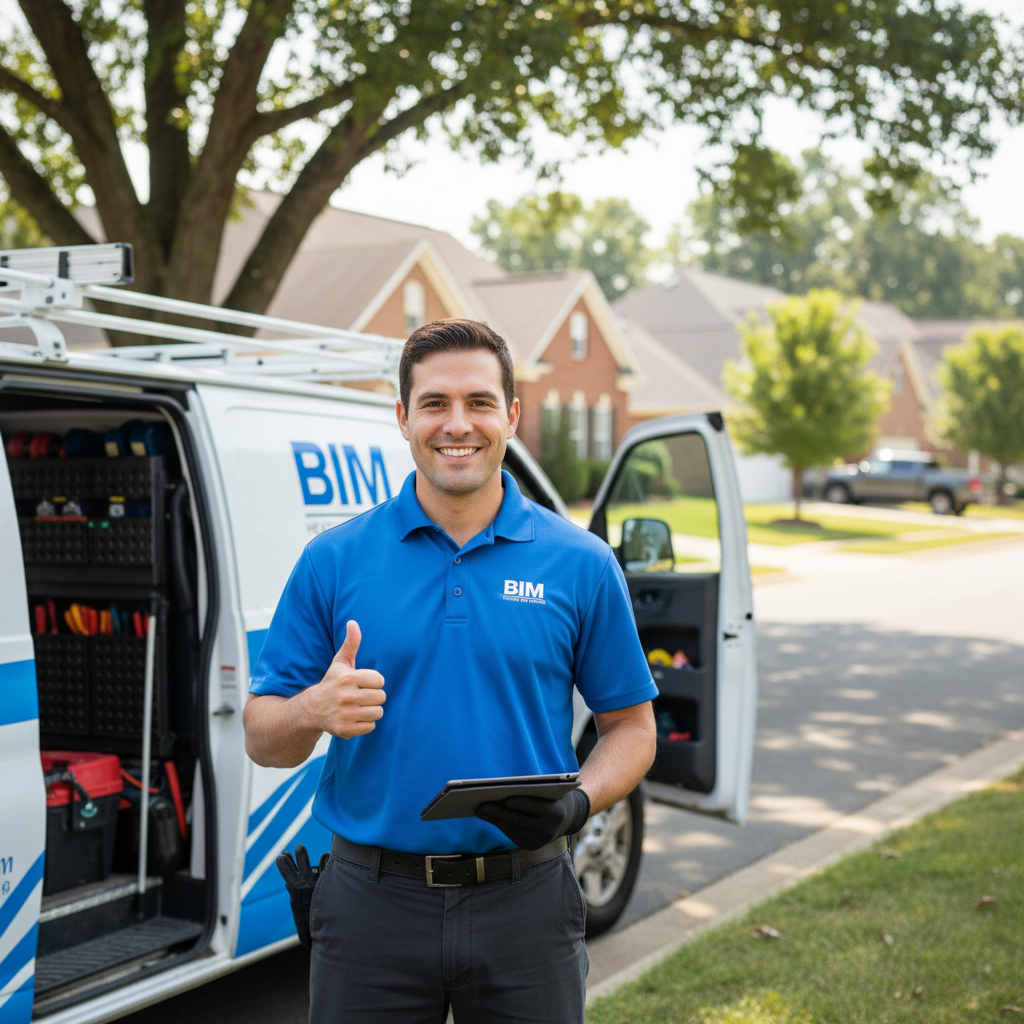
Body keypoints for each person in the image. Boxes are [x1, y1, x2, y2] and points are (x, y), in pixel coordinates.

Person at [243, 318, 658, 1024]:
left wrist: (579, 802)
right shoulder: (333, 560)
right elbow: (261, 736)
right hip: (371, 906)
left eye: (479, 402)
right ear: (403, 417)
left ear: (512, 416)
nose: (456, 424)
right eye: (434, 403)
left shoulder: (581, 563)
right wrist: (313, 709)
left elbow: (632, 729)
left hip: (527, 905)